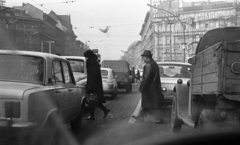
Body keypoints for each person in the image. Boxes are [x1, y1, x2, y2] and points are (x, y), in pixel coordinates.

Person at [132, 50, 164, 124]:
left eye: (143, 57)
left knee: (154, 105)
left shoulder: (150, 65)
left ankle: (159, 119)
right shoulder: (153, 64)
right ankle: (140, 117)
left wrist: (142, 88)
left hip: (150, 89)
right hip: (152, 88)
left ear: (147, 57)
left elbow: (147, 78)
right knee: (147, 104)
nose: (143, 59)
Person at [83, 50, 110, 120]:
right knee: (94, 100)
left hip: (93, 85)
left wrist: (90, 87)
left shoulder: (92, 63)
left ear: (88, 56)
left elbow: (92, 76)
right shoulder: (93, 62)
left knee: (92, 100)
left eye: (86, 57)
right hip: (94, 85)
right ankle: (102, 111)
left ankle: (94, 114)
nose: (85, 59)